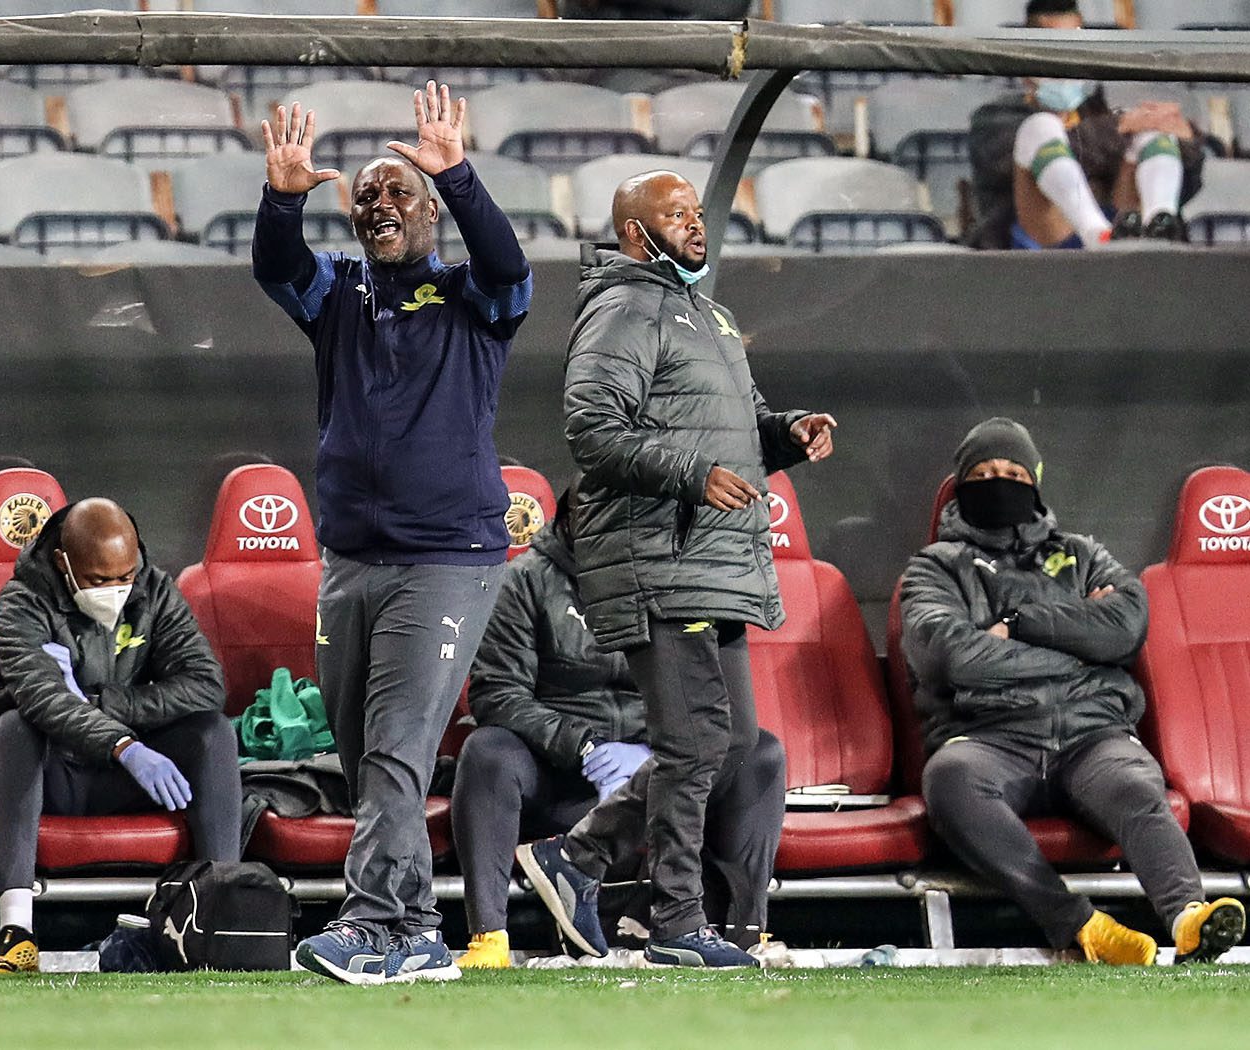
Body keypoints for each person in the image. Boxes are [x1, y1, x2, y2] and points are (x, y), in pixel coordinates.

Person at [515, 169, 837, 969]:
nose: (696, 224)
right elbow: (593, 429)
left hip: (712, 560)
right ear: (635, 232)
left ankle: (580, 857)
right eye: (676, 214)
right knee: (695, 744)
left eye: (697, 211)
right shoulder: (622, 308)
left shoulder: (707, 314)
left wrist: (787, 435)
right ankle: (675, 922)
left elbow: (738, 430)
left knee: (731, 742)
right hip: (657, 555)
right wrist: (692, 474)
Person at [252, 81, 532, 985]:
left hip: (446, 558)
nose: (381, 203)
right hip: (351, 559)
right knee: (359, 748)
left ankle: (369, 920)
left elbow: (508, 261)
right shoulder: (335, 293)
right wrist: (283, 197)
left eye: (398, 192)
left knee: (396, 747)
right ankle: (417, 931)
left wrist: (455, 174)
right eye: (367, 194)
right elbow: (274, 267)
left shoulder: (474, 298)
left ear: (430, 212)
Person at [900, 418, 1246, 965]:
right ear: (960, 486)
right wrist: (1079, 644)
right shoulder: (934, 569)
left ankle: (1188, 917)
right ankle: (1080, 924)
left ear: (1034, 484)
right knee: (950, 780)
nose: (998, 482)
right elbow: (951, 658)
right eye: (982, 474)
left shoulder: (1083, 555)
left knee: (1135, 784)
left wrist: (1017, 624)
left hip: (1092, 734)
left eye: (1013, 473)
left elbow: (1125, 627)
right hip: (990, 737)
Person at [453, 483, 787, 968]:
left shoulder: (675, 581)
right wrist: (582, 746)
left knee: (758, 752)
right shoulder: (523, 580)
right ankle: (489, 938)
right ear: (571, 518)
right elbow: (497, 694)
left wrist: (654, 752)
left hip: (661, 769)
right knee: (487, 752)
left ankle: (745, 933)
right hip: (561, 771)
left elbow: (707, 698)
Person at [0, 498, 240, 974]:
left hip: (121, 773)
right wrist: (123, 745)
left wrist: (105, 704)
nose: (115, 590)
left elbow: (206, 684)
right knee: (14, 726)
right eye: (98, 580)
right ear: (62, 562)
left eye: (124, 576)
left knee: (212, 732)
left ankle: (220, 917)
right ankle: (16, 933)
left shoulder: (154, 590)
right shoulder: (21, 602)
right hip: (44, 775)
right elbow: (43, 698)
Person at [967, 0, 1206, 250]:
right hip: (1038, 251)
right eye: (1054, 50)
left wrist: (1184, 142)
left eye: (1074, 48)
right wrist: (1123, 126)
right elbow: (1081, 144)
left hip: (1124, 237)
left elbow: (1187, 189)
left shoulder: (1099, 113)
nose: (1067, 61)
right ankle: (1097, 234)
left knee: (1151, 134)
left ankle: (1159, 228)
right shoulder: (994, 120)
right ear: (1026, 56)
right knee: (1040, 128)